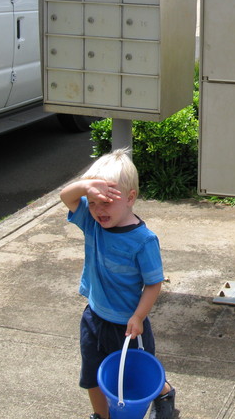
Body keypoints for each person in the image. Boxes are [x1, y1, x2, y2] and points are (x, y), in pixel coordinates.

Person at [60, 149, 175, 419]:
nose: (98, 210)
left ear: (130, 198)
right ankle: (102, 416)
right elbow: (66, 196)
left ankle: (164, 391)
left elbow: (153, 284)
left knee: (132, 378)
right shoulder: (92, 224)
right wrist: (85, 186)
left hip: (128, 327)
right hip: (94, 317)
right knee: (92, 376)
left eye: (106, 202)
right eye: (93, 202)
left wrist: (138, 316)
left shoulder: (143, 240)